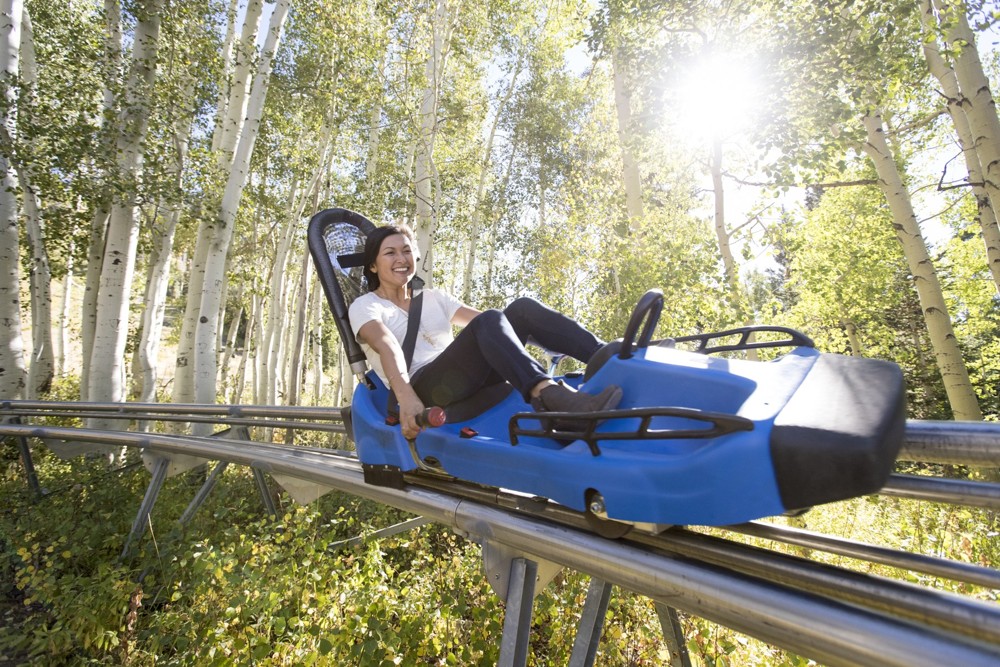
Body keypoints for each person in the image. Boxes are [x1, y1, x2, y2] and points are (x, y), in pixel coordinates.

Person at [348, 224, 622, 440]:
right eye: (390, 253)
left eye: (407, 251)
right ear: (373, 266)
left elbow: (497, 326)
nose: (402, 258)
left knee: (522, 309)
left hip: (464, 376)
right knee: (491, 319)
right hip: (423, 387)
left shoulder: (432, 297)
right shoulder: (365, 306)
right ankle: (547, 395)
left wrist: (546, 336)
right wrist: (406, 397)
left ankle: (611, 358)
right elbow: (386, 345)